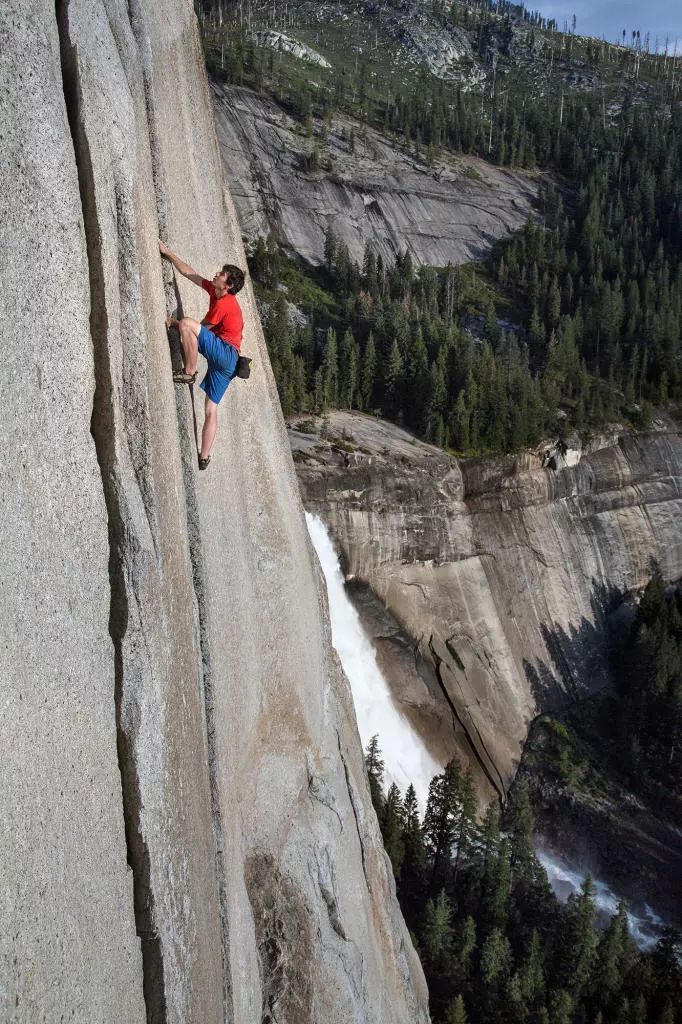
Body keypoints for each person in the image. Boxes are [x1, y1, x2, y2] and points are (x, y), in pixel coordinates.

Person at [159, 239, 245, 470]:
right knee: (211, 409)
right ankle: (204, 456)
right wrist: (169, 254)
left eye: (222, 274)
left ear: (227, 286)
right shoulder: (216, 291)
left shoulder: (224, 303)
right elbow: (191, 274)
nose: (217, 274)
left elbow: (201, 328)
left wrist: (175, 323)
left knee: (187, 324)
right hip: (230, 362)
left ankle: (189, 372)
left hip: (225, 353)